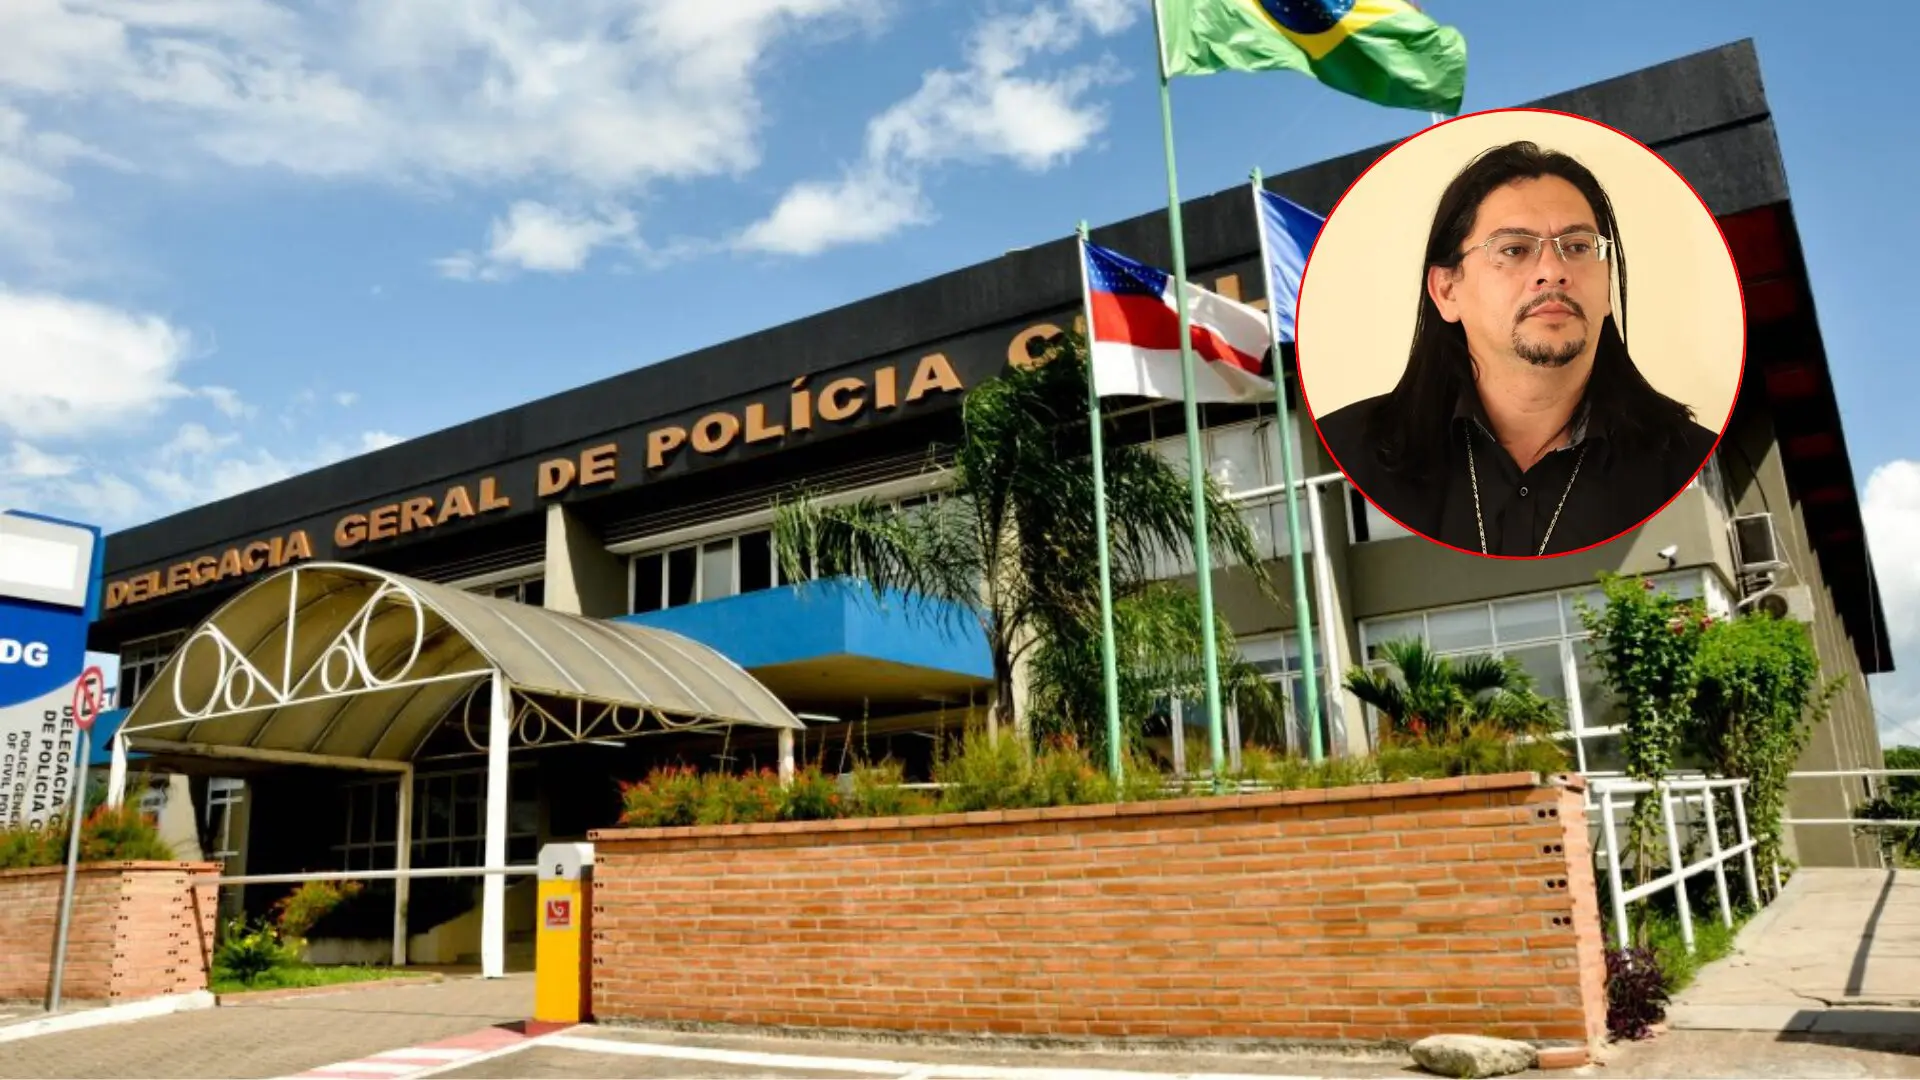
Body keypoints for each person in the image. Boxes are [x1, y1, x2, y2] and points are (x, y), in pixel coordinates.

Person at [1314, 140, 1720, 557]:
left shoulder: (1687, 459)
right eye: (1514, 250)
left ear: (1607, 285)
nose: (1553, 272)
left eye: (1578, 247)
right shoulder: (1349, 451)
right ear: (1447, 290)